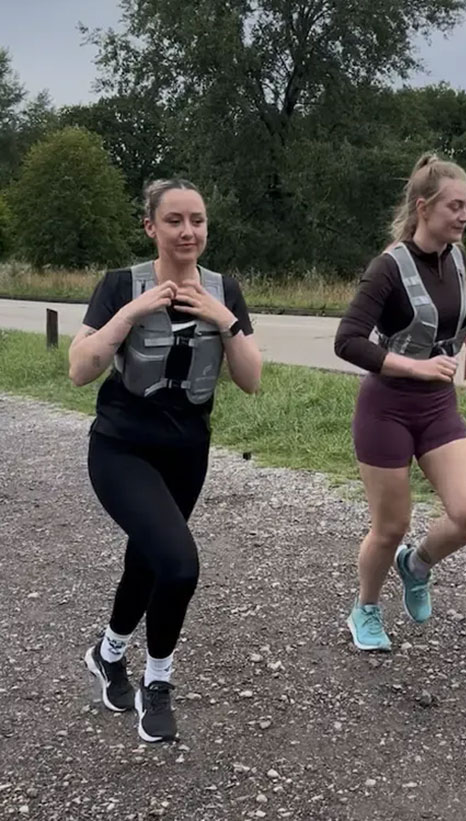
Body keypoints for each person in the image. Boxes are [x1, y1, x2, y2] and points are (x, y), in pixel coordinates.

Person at [69, 178, 262, 741]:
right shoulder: (119, 286)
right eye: (174, 220)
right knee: (179, 564)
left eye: (197, 220)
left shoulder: (225, 291)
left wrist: (223, 319)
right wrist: (131, 312)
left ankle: (108, 654)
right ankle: (158, 681)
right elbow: (80, 369)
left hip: (186, 453)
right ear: (151, 227)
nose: (188, 231)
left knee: (150, 559)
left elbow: (250, 381)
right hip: (120, 448)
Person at [334, 153, 466, 651]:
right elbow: (348, 341)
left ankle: (417, 563)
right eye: (455, 206)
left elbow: (454, 312)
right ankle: (366, 610)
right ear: (424, 208)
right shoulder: (388, 267)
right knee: (390, 526)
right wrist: (416, 366)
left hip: (437, 407)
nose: (465, 216)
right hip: (387, 409)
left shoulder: (456, 255)